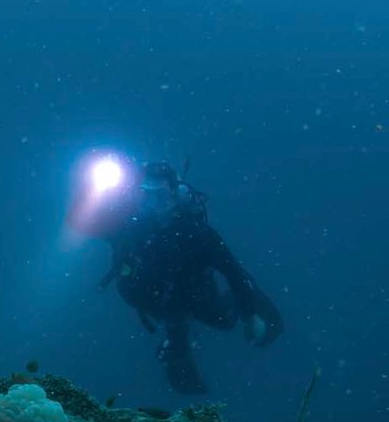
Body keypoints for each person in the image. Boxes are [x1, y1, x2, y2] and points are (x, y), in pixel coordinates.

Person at [101, 162, 283, 393]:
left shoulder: (198, 234)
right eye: (146, 194)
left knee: (225, 321)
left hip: (196, 294)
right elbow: (105, 234)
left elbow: (233, 273)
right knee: (175, 337)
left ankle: (249, 299)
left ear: (175, 195)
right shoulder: (134, 227)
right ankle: (183, 369)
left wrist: (249, 315)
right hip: (161, 300)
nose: (152, 204)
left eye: (160, 195)